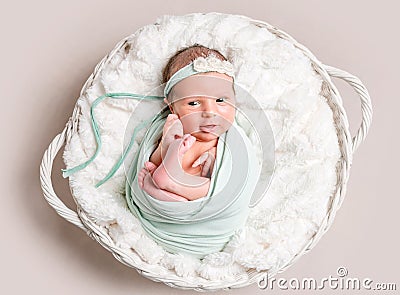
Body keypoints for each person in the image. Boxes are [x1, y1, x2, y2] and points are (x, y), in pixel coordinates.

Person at [137, 45, 236, 202]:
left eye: (220, 100)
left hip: (197, 189)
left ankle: (170, 189)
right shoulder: (178, 131)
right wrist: (166, 145)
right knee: (159, 168)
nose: (210, 112)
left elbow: (236, 172)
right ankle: (166, 188)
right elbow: (154, 162)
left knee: (216, 187)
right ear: (172, 107)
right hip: (168, 177)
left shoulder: (231, 140)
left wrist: (213, 158)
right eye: (194, 103)